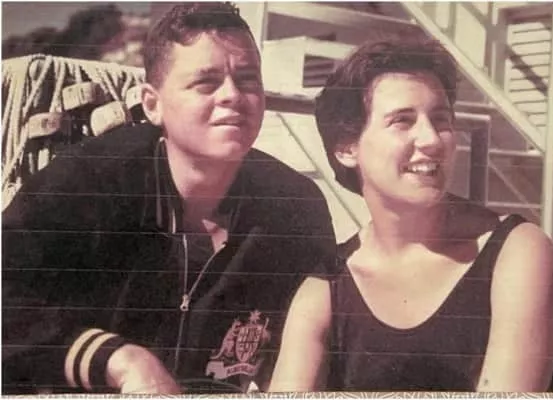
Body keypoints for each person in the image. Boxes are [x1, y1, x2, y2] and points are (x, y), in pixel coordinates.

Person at [2, 2, 335, 395]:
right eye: (206, 82)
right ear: (152, 104)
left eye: (247, 80)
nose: (233, 95)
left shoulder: (295, 207)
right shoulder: (89, 181)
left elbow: (321, 331)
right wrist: (116, 359)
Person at [269, 36, 553, 392]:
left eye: (440, 120)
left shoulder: (517, 252)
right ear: (347, 148)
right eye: (402, 121)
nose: (431, 140)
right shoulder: (325, 290)